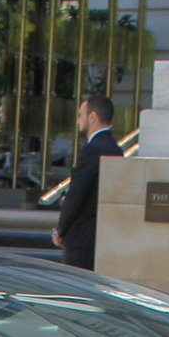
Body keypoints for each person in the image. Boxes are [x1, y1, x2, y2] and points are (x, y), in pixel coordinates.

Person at [50, 94, 123, 271]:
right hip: (105, 236)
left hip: (81, 240)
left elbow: (77, 193)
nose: (78, 120)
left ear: (93, 117)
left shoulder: (91, 150)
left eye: (80, 114)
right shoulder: (117, 150)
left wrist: (61, 229)